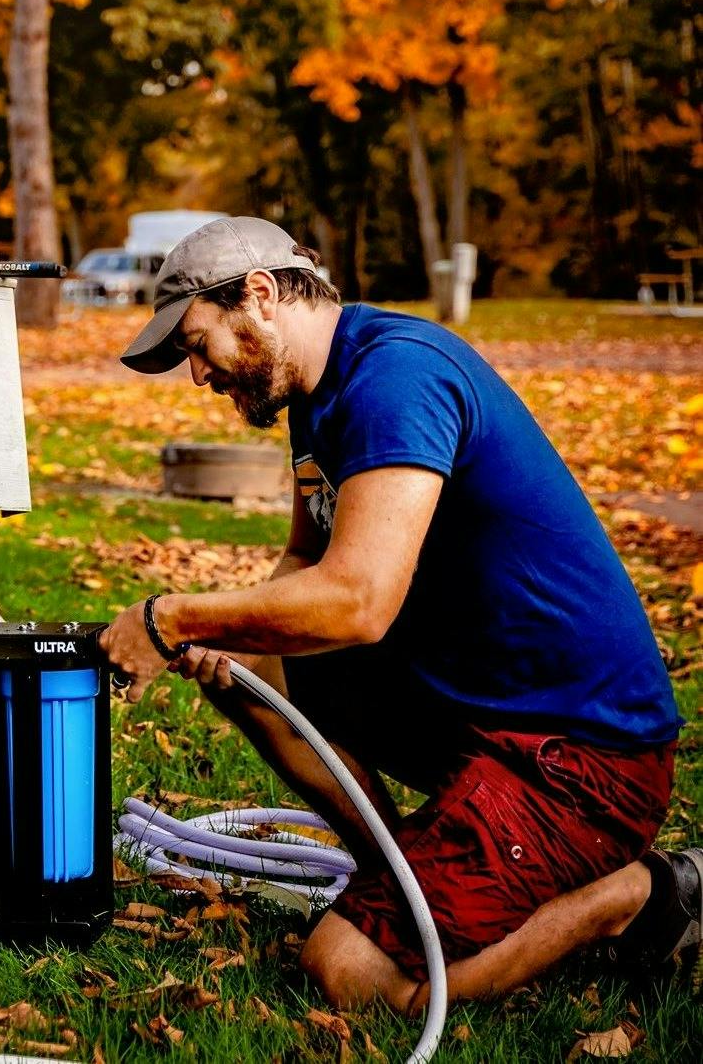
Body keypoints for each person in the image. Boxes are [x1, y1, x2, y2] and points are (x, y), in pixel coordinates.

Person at [98, 216, 698, 1012]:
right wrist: (223, 634)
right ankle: (400, 876)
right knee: (249, 670)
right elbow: (304, 565)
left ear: (259, 294)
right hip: (485, 709)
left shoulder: (395, 379)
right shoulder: (319, 395)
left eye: (199, 345)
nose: (197, 376)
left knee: (352, 972)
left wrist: (170, 616)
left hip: (579, 757)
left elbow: (358, 600)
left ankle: (636, 894)